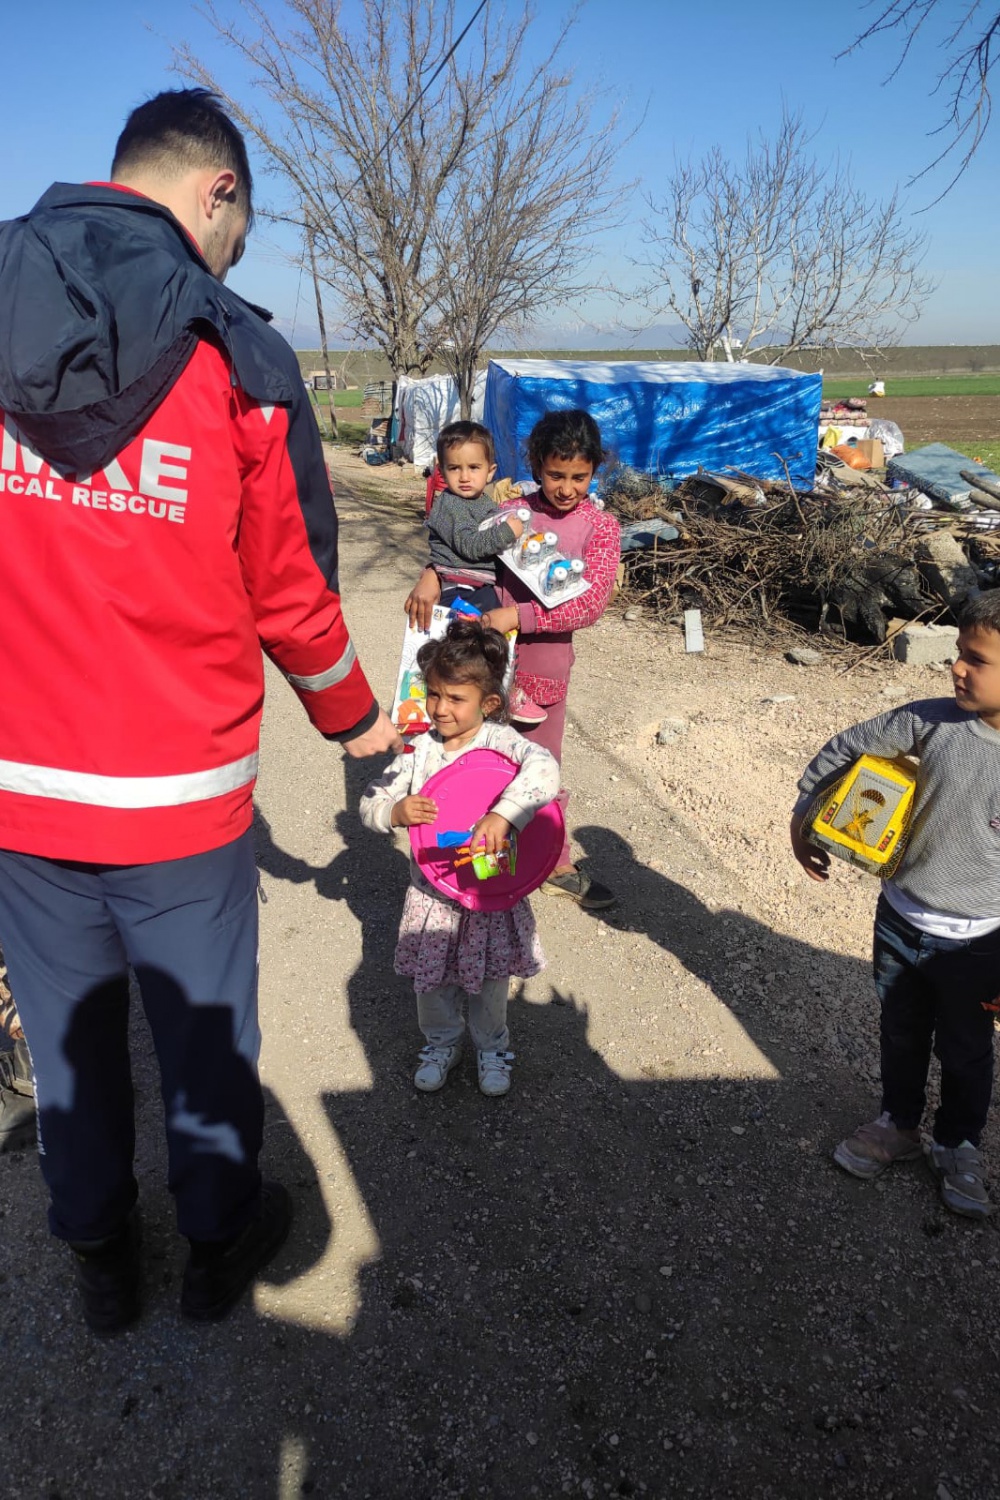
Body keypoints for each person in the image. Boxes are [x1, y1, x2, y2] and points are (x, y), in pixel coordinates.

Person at [0, 88, 402, 1334]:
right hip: (176, 797)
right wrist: (356, 719)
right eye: (243, 227)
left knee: (70, 1049)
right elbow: (289, 583)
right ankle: (220, 1253)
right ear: (215, 192)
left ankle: (102, 1262)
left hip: (20, 787)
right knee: (203, 1047)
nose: (234, 256)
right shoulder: (240, 356)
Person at [791, 591, 1000, 1220]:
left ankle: (958, 1146)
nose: (957, 668)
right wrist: (809, 813)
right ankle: (898, 1124)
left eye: (977, 659)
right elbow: (846, 747)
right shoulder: (931, 720)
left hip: (983, 941)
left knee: (967, 1049)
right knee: (902, 1031)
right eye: (959, 654)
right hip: (903, 918)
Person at [405, 409, 621, 910]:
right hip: (482, 659)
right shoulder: (508, 512)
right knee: (472, 751)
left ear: (595, 471)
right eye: (554, 475)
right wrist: (431, 577)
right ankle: (466, 847)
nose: (566, 488)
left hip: (543, 666)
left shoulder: (601, 528)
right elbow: (466, 557)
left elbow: (588, 605)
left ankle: (554, 859)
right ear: (534, 465)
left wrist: (516, 616)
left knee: (539, 760)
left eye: (579, 477)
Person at [360, 618, 559, 1097]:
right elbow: (368, 803)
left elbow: (545, 769)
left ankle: (493, 1048)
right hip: (432, 897)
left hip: (490, 896)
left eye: (455, 698)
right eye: (433, 695)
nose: (440, 709)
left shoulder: (502, 743)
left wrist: (505, 817)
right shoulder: (416, 752)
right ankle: (441, 1044)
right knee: (432, 985)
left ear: (488, 704)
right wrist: (395, 811)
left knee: (491, 983)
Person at [425, 419, 524, 612]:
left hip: (478, 585)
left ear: (490, 472)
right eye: (454, 468)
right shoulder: (450, 505)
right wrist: (506, 532)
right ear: (442, 474)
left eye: (473, 467)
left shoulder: (485, 501)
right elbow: (469, 545)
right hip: (459, 587)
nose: (464, 477)